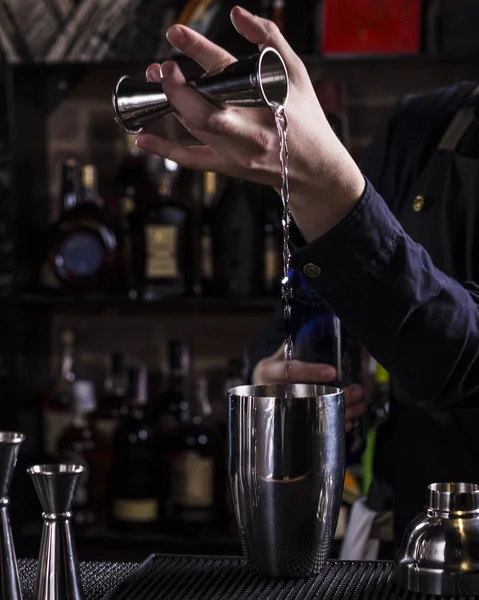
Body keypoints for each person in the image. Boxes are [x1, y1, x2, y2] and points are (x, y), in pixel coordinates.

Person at [136, 6, 479, 547]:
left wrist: (333, 188)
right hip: (391, 533)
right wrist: (275, 374)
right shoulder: (421, 125)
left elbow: (468, 363)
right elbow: (305, 304)